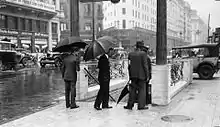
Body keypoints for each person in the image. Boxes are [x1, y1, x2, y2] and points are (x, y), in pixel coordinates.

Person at [124, 41, 149, 110]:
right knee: (142, 91)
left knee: (132, 91)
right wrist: (147, 75)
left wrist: (130, 75)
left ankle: (130, 105)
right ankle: (141, 106)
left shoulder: (130, 54)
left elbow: (129, 65)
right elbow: (145, 66)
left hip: (133, 75)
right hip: (141, 75)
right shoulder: (143, 54)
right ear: (142, 47)